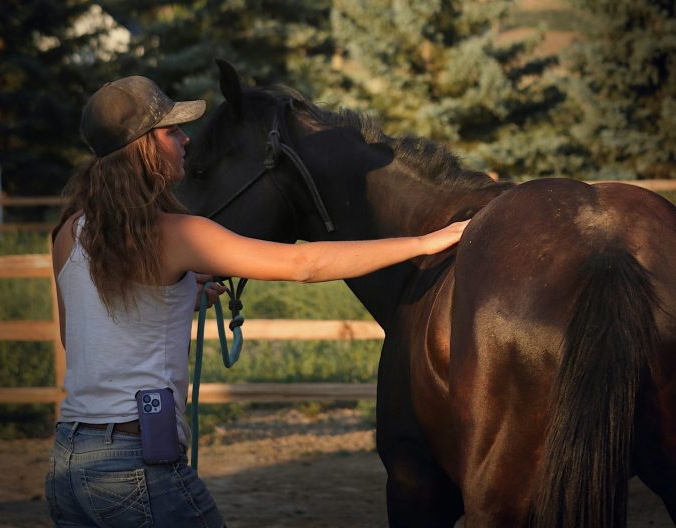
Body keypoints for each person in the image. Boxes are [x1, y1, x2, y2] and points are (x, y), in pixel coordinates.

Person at [47, 75, 470, 528]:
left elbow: (85, 339)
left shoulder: (69, 233)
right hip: (136, 469)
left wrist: (177, 298)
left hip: (70, 463)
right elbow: (303, 264)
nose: (186, 139)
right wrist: (424, 243)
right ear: (143, 149)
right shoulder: (178, 234)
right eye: (171, 131)